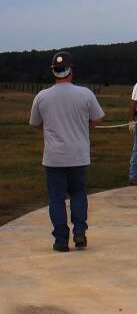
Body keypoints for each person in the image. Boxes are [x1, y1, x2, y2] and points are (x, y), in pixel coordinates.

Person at [29, 51, 104, 252]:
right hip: (78, 155)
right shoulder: (86, 94)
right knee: (78, 192)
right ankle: (79, 232)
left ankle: (61, 240)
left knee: (56, 198)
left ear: (53, 71)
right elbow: (97, 119)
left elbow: (36, 124)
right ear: (71, 70)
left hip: (53, 157)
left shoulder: (42, 96)